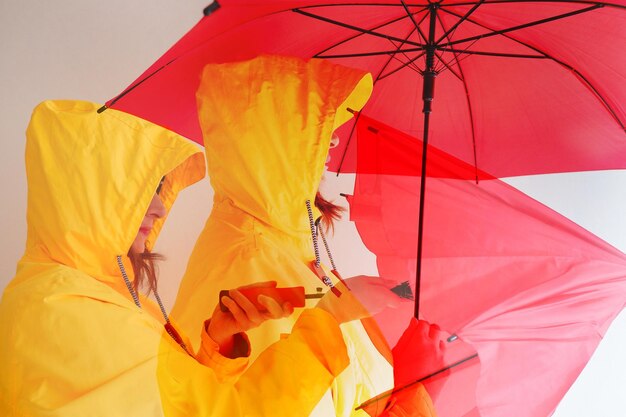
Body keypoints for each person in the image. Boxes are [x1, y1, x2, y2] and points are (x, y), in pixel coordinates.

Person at [0, 99, 373, 416]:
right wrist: (328, 321)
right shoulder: (64, 307)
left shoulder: (86, 293)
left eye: (159, 189)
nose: (161, 209)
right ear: (86, 196)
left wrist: (218, 345)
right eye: (141, 192)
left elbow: (177, 403)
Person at [172, 55, 440, 416]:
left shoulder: (291, 250)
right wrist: (413, 392)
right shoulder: (250, 257)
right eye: (317, 132)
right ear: (274, 141)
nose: (330, 151)